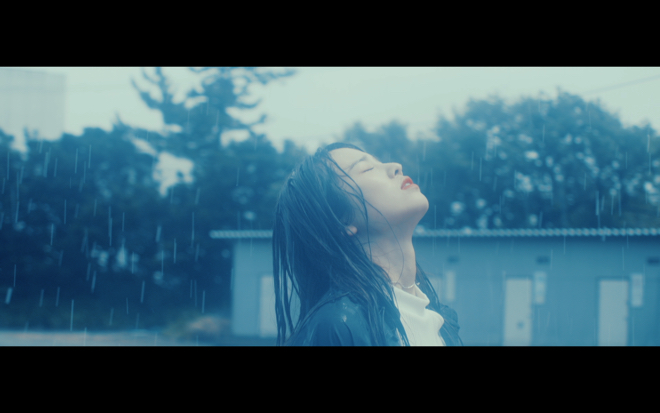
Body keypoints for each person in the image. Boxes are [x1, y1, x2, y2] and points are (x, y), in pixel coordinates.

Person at [272, 142, 463, 346]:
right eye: (367, 168)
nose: (396, 166)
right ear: (341, 221)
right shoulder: (338, 326)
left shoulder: (442, 323)